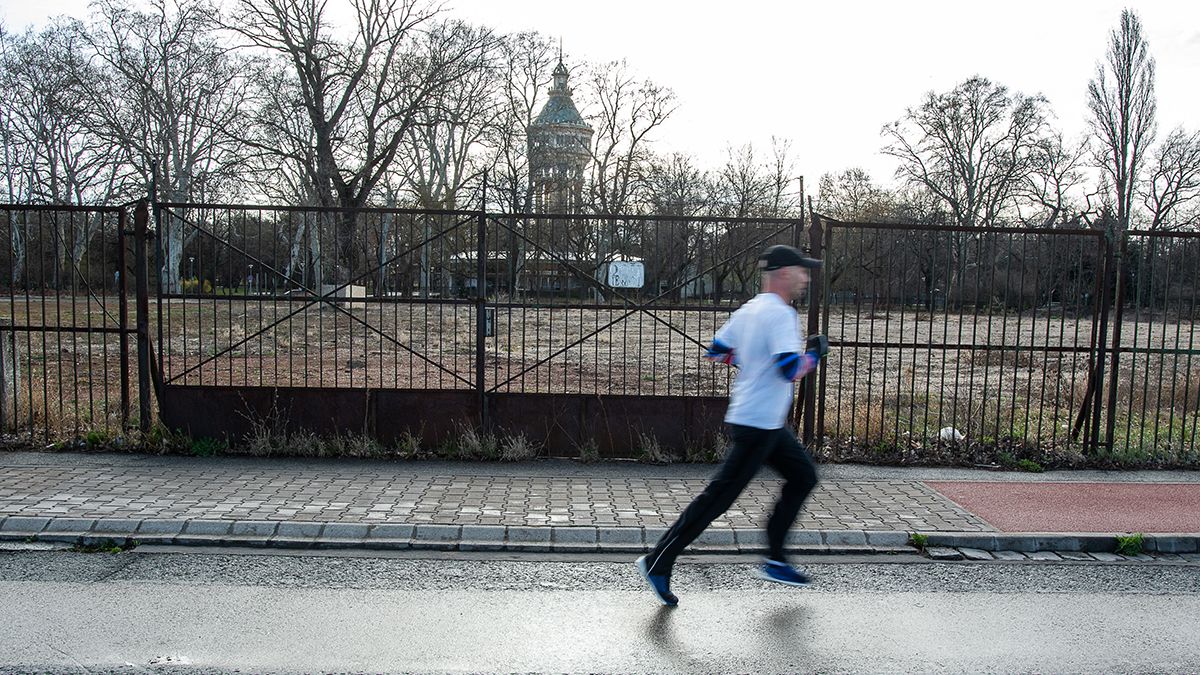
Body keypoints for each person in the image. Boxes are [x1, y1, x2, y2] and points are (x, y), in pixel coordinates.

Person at [636, 244, 828, 606]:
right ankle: (657, 561)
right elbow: (790, 370)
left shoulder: (750, 309)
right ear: (784, 274)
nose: (805, 277)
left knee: (804, 476)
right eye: (802, 271)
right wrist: (814, 355)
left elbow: (717, 349)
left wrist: (753, 362)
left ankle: (775, 559)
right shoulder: (781, 315)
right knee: (716, 500)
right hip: (758, 424)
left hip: (765, 422)